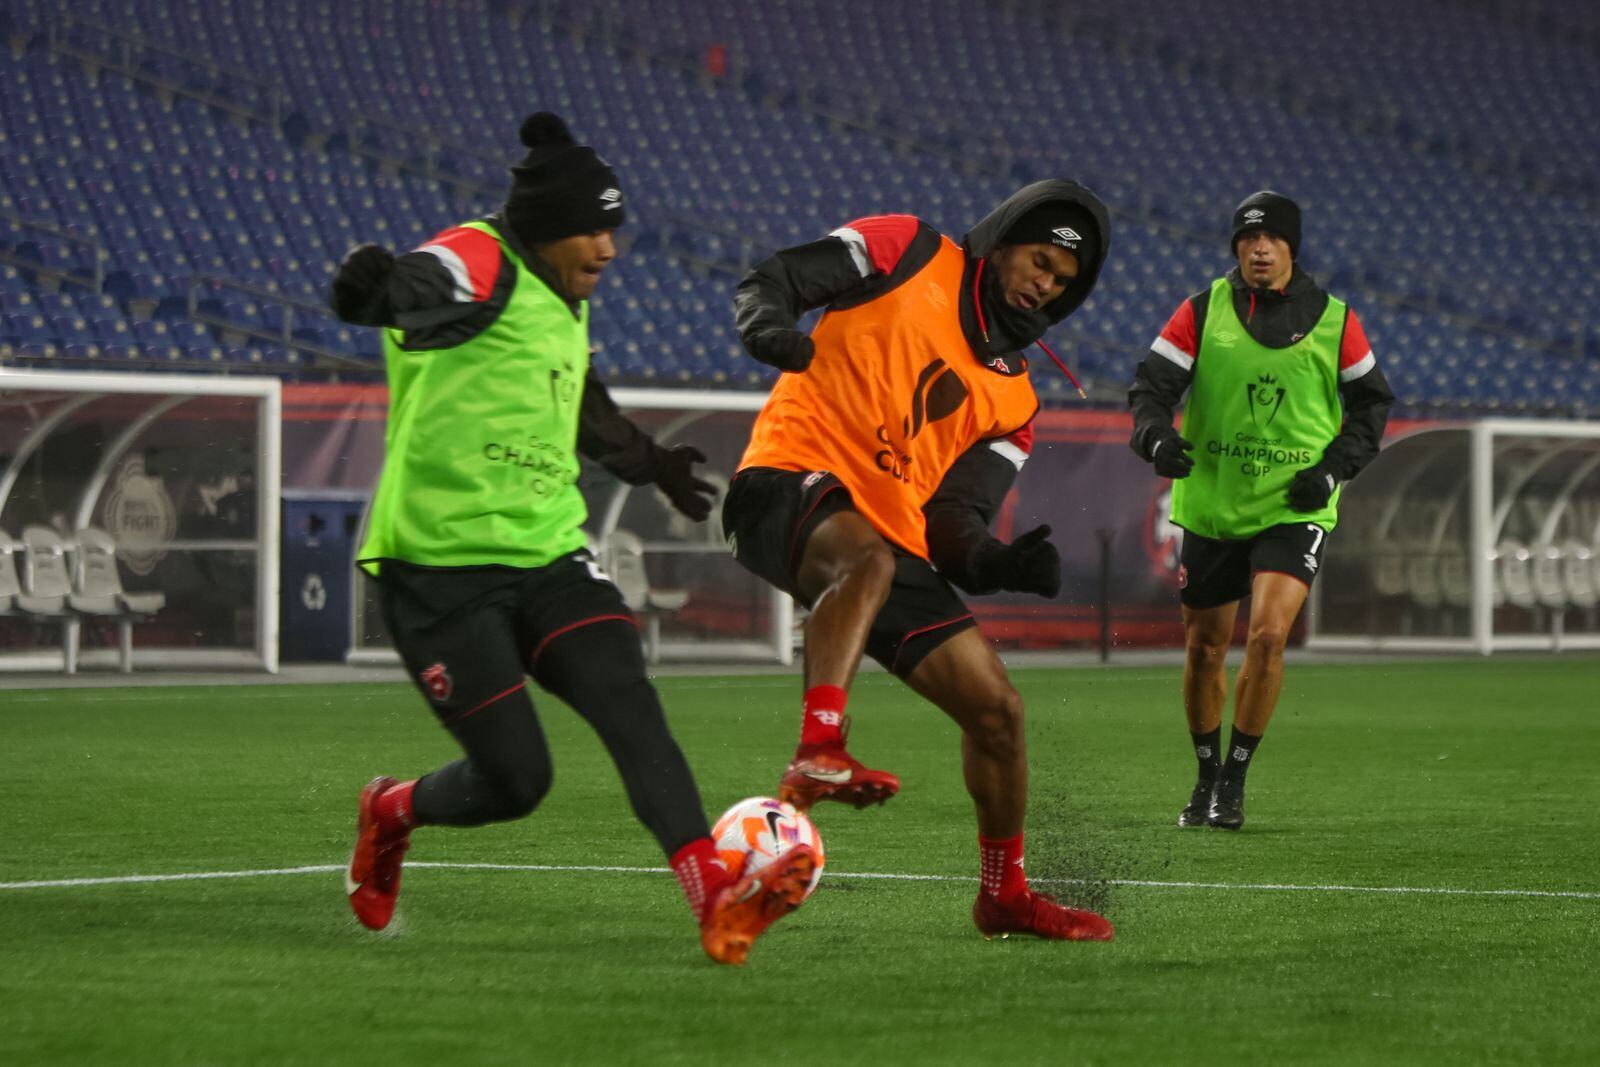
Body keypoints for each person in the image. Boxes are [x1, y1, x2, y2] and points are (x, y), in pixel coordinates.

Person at [327, 112, 814, 966]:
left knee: (627, 695)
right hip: (437, 570)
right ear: (548, 229)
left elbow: (584, 409)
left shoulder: (563, 298)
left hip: (548, 553)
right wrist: (368, 293)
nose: (610, 247)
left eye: (613, 228)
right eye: (595, 228)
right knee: (517, 782)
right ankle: (391, 810)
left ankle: (712, 894)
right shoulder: (479, 260)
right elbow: (408, 288)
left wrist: (657, 464)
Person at [724, 181, 1116, 942]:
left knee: (998, 711)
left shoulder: (1017, 404)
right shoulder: (907, 247)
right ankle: (818, 747)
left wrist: (1001, 563)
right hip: (781, 482)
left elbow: (952, 530)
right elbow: (775, 278)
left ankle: (1003, 894)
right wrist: (767, 324)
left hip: (884, 544)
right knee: (864, 561)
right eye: (1040, 260)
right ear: (1001, 241)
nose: (1046, 283)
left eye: (1063, 281)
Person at [1127, 190, 1395, 830]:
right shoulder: (1200, 311)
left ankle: (1235, 783)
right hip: (1214, 505)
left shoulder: (1335, 319)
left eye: (1271, 238)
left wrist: (1331, 471)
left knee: (1269, 635)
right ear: (1236, 249)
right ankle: (1204, 776)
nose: (1258, 249)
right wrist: (1156, 439)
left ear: (1291, 247)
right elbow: (1150, 391)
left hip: (1293, 505)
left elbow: (1371, 408)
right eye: (1247, 239)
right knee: (1203, 650)